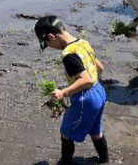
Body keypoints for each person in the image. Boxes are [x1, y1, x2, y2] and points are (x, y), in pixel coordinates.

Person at [34, 16, 109, 165]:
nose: (51, 47)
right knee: (95, 131)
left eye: (48, 44)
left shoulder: (68, 54)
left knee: (66, 132)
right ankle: (104, 159)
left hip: (85, 98)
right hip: (99, 92)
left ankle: (66, 162)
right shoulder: (82, 43)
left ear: (51, 36)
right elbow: (99, 67)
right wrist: (95, 82)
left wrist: (63, 92)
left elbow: (85, 79)